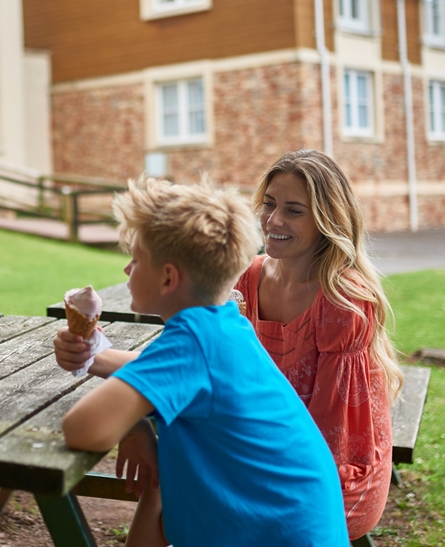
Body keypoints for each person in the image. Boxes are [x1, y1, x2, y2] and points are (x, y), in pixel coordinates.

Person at [60, 178, 348, 547]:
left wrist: (137, 429)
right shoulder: (224, 325)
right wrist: (92, 356)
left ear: (167, 278)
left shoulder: (192, 342)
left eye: (135, 259)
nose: (127, 271)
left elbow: (83, 429)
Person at [234, 149, 403, 541]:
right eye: (269, 204)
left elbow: (332, 439)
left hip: (334, 476)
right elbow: (214, 368)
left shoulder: (343, 299)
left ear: (327, 220)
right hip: (271, 449)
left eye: (294, 210)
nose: (273, 221)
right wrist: (99, 355)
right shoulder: (247, 279)